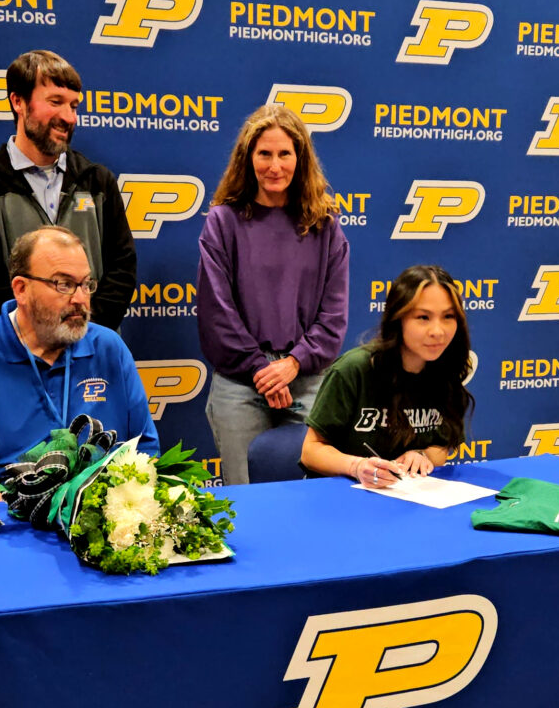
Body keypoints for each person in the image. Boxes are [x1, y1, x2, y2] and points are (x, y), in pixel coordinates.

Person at [0, 226, 158, 504]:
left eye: (85, 284)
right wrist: (17, 519)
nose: (80, 299)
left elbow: (144, 451)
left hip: (93, 524)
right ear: (21, 289)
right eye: (63, 284)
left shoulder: (109, 347)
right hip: (4, 526)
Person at [196, 104, 349, 485]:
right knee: (245, 502)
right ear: (247, 158)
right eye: (264, 154)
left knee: (316, 502)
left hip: (310, 380)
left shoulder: (325, 226)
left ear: (301, 159)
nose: (274, 166)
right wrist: (260, 369)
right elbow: (217, 311)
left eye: (285, 154)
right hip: (242, 384)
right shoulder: (223, 221)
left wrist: (294, 363)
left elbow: (333, 316)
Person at [0, 49, 136, 330]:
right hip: (14, 353)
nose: (70, 117)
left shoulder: (98, 182)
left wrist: (83, 329)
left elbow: (121, 269)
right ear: (18, 101)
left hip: (91, 348)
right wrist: (43, 332)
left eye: (74, 106)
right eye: (56, 102)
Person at [300, 264, 473, 488]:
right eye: (423, 317)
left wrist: (422, 455)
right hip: (342, 496)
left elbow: (442, 446)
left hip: (407, 498)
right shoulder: (353, 370)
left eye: (448, 316)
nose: (438, 331)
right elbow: (311, 451)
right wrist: (357, 466)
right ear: (397, 319)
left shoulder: (446, 371)